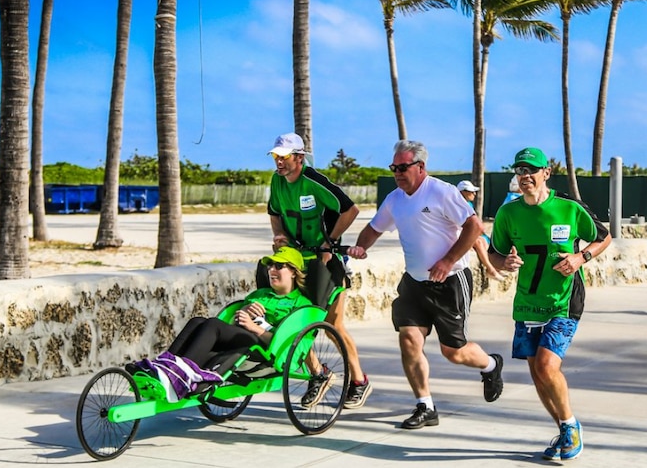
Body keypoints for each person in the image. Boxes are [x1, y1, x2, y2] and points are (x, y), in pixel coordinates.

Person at [346, 140, 504, 430]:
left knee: (453, 352)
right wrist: (360, 248)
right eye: (394, 168)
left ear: (420, 167)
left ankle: (491, 365)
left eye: (403, 167)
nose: (397, 172)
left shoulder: (442, 192)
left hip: (451, 282)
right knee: (408, 339)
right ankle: (425, 405)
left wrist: (447, 260)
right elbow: (373, 228)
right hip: (414, 284)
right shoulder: (395, 199)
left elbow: (475, 227)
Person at [487, 147, 611, 461]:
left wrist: (580, 257)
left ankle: (570, 426)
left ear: (546, 173)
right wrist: (506, 261)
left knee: (546, 365)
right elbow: (494, 254)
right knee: (538, 373)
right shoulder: (508, 213)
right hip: (527, 302)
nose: (525, 176)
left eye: (531, 170)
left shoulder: (569, 208)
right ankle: (565, 431)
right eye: (519, 171)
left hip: (564, 301)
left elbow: (603, 237)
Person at [266, 132, 372, 409]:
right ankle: (318, 374)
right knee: (295, 320)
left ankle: (359, 381)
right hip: (297, 261)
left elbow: (351, 210)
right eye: (276, 157)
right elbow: (274, 212)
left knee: (333, 326)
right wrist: (279, 236)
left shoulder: (314, 181)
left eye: (284, 157)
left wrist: (329, 241)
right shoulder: (277, 182)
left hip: (326, 262)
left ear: (299, 158)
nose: (279, 162)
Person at [126, 247, 312, 398]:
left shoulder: (301, 306)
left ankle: (180, 376)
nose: (271, 270)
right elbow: (232, 323)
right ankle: (161, 368)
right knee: (198, 321)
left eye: (279, 266)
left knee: (213, 325)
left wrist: (254, 327)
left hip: (265, 349)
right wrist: (244, 313)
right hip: (240, 336)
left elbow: (287, 346)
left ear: (294, 272)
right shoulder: (259, 295)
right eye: (270, 265)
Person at [456, 180, 505, 281]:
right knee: (478, 241)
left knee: (482, 240)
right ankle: (490, 269)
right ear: (462, 192)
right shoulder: (456, 205)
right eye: (470, 191)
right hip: (457, 235)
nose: (474, 193)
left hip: (464, 233)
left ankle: (493, 267)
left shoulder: (468, 204)